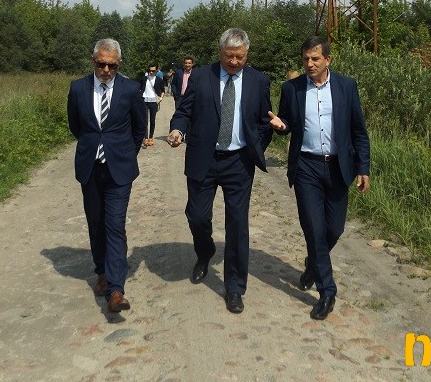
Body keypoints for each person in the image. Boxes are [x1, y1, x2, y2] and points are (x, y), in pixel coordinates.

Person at [167, 29, 272, 314]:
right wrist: (177, 130)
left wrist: (255, 147)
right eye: (229, 56)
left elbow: (264, 122)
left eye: (240, 57)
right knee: (197, 216)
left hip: (239, 162)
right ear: (220, 52)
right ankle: (205, 252)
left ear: (247, 55)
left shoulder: (259, 81)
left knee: (237, 224)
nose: (234, 62)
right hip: (204, 157)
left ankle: (235, 287)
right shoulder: (202, 77)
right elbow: (184, 112)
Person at [268, 36, 370, 320]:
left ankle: (314, 264)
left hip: (338, 167)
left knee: (334, 229)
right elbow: (287, 122)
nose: (310, 64)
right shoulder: (291, 88)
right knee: (314, 228)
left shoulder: (346, 86)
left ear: (328, 60)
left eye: (315, 59)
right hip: (306, 167)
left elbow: (359, 131)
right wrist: (280, 125)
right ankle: (327, 291)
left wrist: (363, 168)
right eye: (305, 59)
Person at [67, 38, 147, 314]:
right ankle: (101, 271)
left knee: (114, 225)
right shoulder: (78, 88)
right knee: (96, 222)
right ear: (93, 61)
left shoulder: (130, 89)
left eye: (112, 65)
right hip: (90, 168)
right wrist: (93, 147)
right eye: (101, 64)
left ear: (119, 64)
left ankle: (116, 289)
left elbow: (139, 128)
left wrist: (125, 154)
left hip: (119, 170)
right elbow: (76, 126)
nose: (106, 70)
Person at [139, 63, 165, 147]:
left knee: (152, 120)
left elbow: (163, 90)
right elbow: (139, 88)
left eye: (153, 71)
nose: (151, 72)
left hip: (154, 101)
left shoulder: (159, 80)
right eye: (149, 70)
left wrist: (161, 98)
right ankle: (145, 137)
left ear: (156, 71)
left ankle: (151, 137)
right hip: (144, 101)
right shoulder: (144, 79)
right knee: (144, 120)